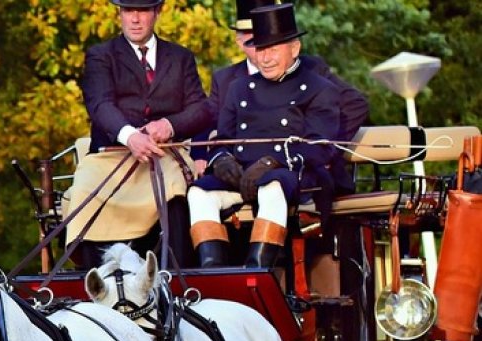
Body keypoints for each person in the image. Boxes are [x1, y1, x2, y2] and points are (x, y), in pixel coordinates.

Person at [186, 2, 339, 269]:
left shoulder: (319, 88)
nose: (264, 58)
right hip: (244, 178)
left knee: (272, 185)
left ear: (295, 48)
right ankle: (212, 270)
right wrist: (221, 160)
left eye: (273, 49)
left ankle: (258, 267)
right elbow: (223, 138)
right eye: (260, 49)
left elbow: (320, 148)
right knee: (198, 192)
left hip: (296, 177)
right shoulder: (238, 88)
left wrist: (273, 162)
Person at [74, 0, 215, 269]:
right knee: (83, 189)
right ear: (120, 14)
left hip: (165, 154)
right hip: (112, 156)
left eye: (142, 11)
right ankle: (91, 280)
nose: (135, 19)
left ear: (157, 12)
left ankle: (176, 280)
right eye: (128, 11)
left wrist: (170, 125)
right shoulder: (100, 55)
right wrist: (129, 136)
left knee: (175, 190)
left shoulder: (181, 57)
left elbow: (201, 109)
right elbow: (99, 105)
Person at [195, 0, 368, 195]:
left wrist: (321, 148)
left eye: (271, 35)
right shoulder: (226, 80)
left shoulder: (311, 69)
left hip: (298, 175)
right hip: (240, 176)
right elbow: (208, 121)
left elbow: (355, 105)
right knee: (198, 194)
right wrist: (212, 158)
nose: (264, 38)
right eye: (255, 35)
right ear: (241, 42)